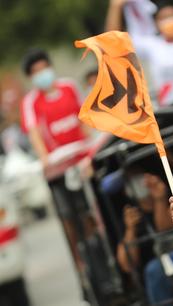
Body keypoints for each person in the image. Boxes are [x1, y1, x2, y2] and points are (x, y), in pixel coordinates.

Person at [20, 48, 90, 267]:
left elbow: (84, 116)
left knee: (89, 210)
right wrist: (45, 157)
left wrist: (89, 146)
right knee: (68, 216)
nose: (42, 73)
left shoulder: (69, 87)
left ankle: (98, 249)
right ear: (31, 77)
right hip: (57, 168)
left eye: (44, 68)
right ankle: (80, 263)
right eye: (36, 71)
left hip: (82, 160)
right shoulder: (31, 101)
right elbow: (34, 132)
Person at [106, 0, 173, 106]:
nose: (171, 21)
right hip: (170, 109)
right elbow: (112, 42)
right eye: (164, 18)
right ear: (156, 23)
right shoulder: (152, 46)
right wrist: (116, 7)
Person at [116, 173, 173, 305]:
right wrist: (130, 230)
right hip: (155, 280)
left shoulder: (172, 199)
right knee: (154, 269)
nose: (141, 183)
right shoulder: (130, 217)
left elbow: (165, 231)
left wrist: (160, 200)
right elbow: (127, 264)